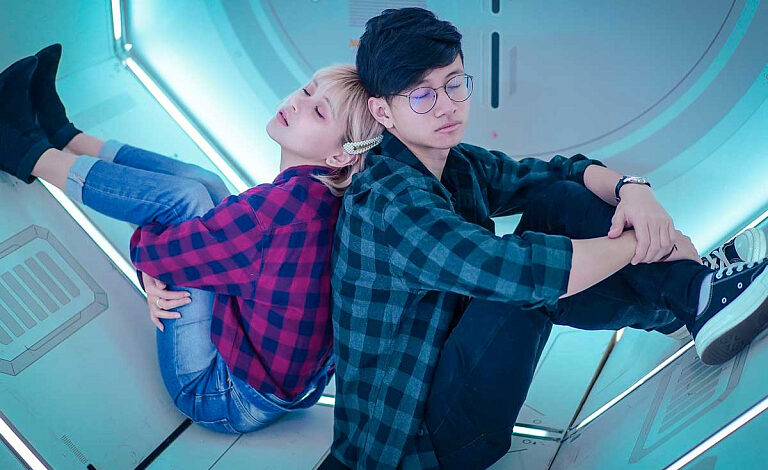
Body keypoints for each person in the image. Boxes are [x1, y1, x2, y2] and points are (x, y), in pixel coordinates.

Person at [321, 8, 768, 469]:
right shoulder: (388, 201)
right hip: (418, 446)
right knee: (521, 280)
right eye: (422, 95)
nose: (446, 106)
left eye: (454, 83)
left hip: (447, 379)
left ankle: (690, 294)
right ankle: (689, 290)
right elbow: (508, 271)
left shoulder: (451, 162)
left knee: (555, 201)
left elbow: (555, 174)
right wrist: (647, 242)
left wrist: (632, 189)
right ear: (382, 112)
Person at [0, 45, 383, 433]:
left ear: (341, 157)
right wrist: (161, 262)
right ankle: (63, 134)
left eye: (319, 112)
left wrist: (151, 265)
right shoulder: (317, 201)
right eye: (307, 90)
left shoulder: (279, 214)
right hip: (268, 381)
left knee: (184, 201)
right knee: (207, 184)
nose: (298, 103)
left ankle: (24, 151)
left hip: (220, 391)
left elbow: (160, 255)